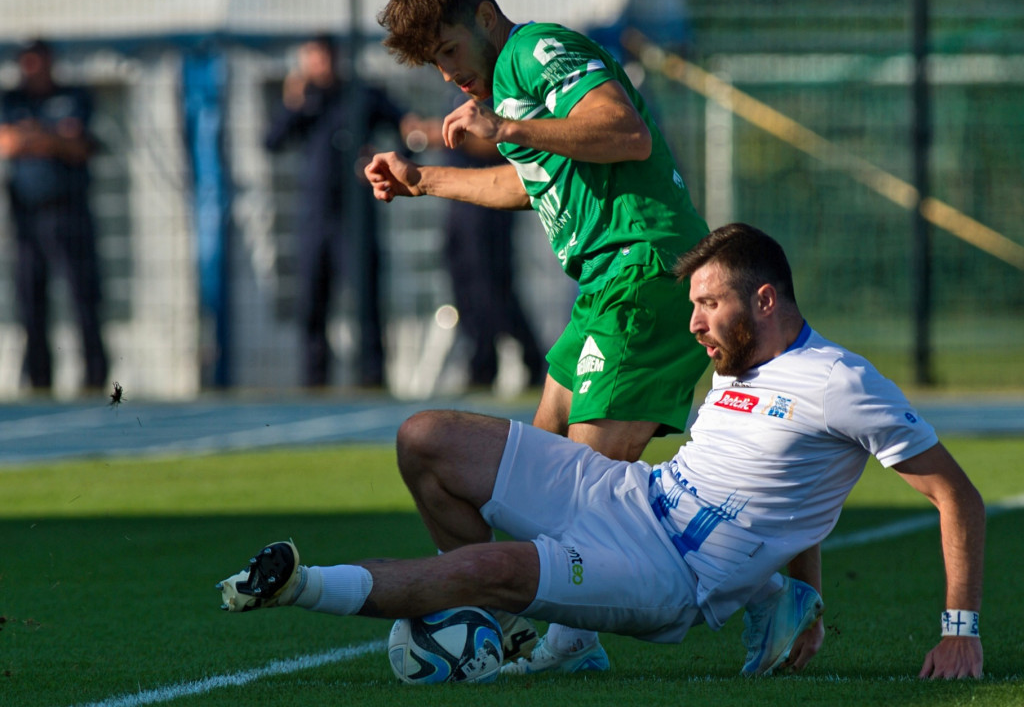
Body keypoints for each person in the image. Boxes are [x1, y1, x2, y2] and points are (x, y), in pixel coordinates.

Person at [218, 223, 986, 681]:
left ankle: (298, 585)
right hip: (624, 494)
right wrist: (800, 593)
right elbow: (786, 491)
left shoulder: (842, 382)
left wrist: (960, 635)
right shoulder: (733, 369)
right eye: (692, 306)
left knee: (493, 571)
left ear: (765, 299)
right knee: (427, 438)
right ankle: (528, 633)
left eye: (708, 304)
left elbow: (957, 496)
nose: (694, 324)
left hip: (668, 576)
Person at [363, 0, 714, 669]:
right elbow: (530, 187)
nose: (449, 74)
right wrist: (423, 179)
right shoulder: (513, 84)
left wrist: (508, 127)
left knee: (575, 499)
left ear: (486, 20)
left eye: (450, 51)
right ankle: (526, 620)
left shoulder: (536, 50)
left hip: (644, 271)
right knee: (516, 468)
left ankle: (749, 588)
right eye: (434, 62)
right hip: (605, 289)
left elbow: (624, 132)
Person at [265, 34, 406, 389]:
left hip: (355, 217)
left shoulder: (361, 94)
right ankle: (315, 381)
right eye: (310, 59)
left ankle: (372, 378)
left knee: (365, 299)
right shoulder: (305, 100)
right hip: (315, 217)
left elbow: (406, 126)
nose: (317, 66)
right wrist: (292, 103)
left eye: (321, 58)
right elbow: (272, 141)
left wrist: (385, 158)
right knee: (312, 301)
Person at [404, 109, 546, 391]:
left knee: (492, 288)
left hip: (488, 211)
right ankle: (485, 362)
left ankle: (506, 361)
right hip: (459, 208)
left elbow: (507, 145)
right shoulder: (459, 86)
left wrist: (446, 138)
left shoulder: (494, 89)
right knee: (466, 289)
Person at [0, 39, 108, 393]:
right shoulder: (11, 100)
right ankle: (39, 382)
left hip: (70, 212)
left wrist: (37, 138)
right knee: (31, 302)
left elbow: (80, 147)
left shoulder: (74, 95)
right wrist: (50, 138)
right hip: (28, 217)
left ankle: (95, 380)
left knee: (83, 299)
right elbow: (8, 143)